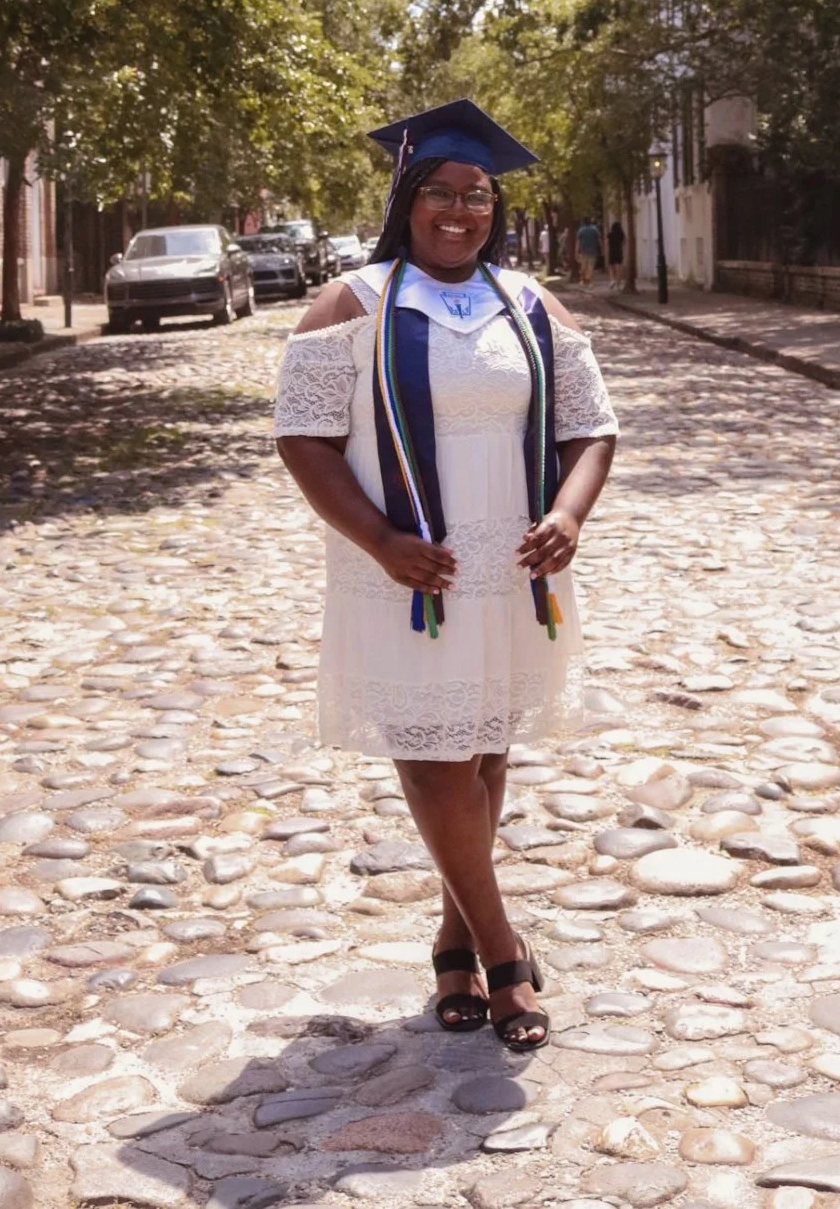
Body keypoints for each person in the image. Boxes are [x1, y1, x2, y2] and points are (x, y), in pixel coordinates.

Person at [274, 99, 617, 1052]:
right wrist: (379, 539)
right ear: (406, 198)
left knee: (485, 753)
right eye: (441, 191)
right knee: (433, 758)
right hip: (407, 575)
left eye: (478, 194)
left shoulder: (530, 303)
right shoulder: (352, 304)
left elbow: (591, 427)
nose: (460, 210)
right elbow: (302, 437)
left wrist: (569, 514)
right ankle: (505, 952)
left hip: (508, 571)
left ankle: (452, 940)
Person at [575, 216, 601, 286]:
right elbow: (599, 240)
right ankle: (590, 282)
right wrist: (601, 248)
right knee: (591, 267)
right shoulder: (595, 229)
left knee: (583, 267)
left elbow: (578, 242)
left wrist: (576, 251)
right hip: (593, 251)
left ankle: (583, 280)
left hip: (583, 252)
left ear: (583, 222)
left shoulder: (581, 230)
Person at [607, 219, 625, 289]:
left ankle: (612, 280)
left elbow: (607, 243)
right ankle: (618, 284)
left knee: (611, 266)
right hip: (618, 251)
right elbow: (624, 243)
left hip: (611, 251)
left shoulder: (610, 234)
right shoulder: (621, 234)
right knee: (619, 268)